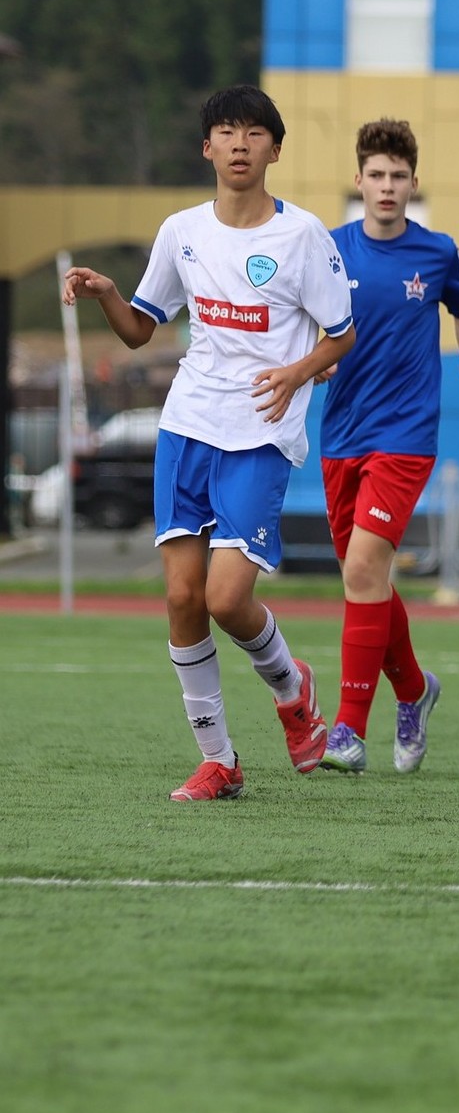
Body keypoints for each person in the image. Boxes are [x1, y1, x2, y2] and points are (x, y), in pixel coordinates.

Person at [62, 85, 354, 801]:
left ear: (274, 149)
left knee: (226, 598)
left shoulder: (302, 235)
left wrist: (296, 373)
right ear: (206, 148)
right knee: (183, 596)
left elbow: (342, 334)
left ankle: (292, 687)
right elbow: (142, 328)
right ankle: (219, 760)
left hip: (261, 434)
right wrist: (107, 293)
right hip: (186, 426)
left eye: (254, 132)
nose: (239, 143)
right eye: (226, 131)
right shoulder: (181, 231)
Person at [317, 119, 459, 774]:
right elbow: (306, 317)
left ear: (414, 183)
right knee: (364, 577)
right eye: (376, 175)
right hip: (341, 434)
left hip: (406, 435)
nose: (387, 185)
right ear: (358, 180)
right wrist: (317, 358)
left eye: (398, 176)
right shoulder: (329, 249)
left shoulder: (437, 252)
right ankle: (414, 690)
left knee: (365, 568)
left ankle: (347, 731)